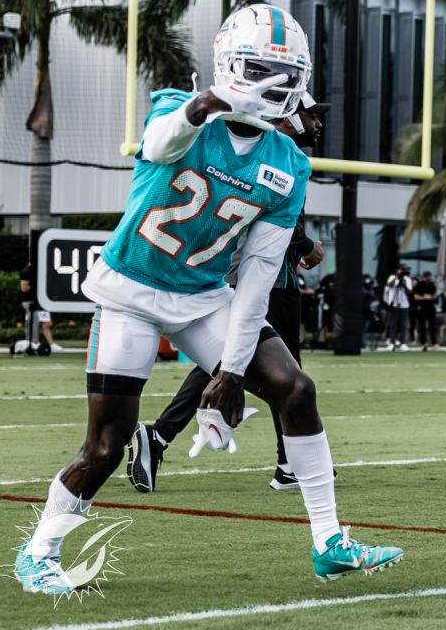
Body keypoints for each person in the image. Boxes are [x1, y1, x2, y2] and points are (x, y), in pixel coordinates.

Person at [12, 4, 400, 596]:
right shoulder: (178, 110)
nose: (276, 85)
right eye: (260, 69)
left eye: (285, 73)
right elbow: (163, 141)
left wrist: (232, 371)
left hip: (203, 296)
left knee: (296, 389)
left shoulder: (288, 163)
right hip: (132, 292)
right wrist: (210, 104)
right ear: (230, 67)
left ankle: (330, 544)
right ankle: (38, 552)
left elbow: (260, 275)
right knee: (108, 446)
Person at [126, 96, 329, 494]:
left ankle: (161, 436)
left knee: (234, 360)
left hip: (261, 277)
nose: (317, 124)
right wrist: (305, 246)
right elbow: (263, 225)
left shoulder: (283, 156)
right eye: (311, 115)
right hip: (263, 280)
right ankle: (288, 462)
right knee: (281, 374)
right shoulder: (273, 156)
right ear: (289, 113)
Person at [384, 265, 413, 351]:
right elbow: (388, 285)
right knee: (393, 324)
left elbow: (410, 291)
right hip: (394, 303)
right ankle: (392, 343)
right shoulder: (392, 277)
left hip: (404, 304)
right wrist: (396, 278)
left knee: (403, 324)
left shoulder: (407, 279)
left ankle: (403, 343)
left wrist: (404, 285)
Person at [412, 270, 439, 350]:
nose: (429, 278)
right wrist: (424, 297)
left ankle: (434, 343)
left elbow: (434, 295)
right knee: (422, 326)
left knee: (432, 326)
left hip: (430, 307)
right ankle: (423, 343)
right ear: (424, 277)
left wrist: (432, 297)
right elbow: (415, 297)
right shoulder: (419, 285)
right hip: (421, 307)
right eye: (428, 277)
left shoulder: (431, 284)